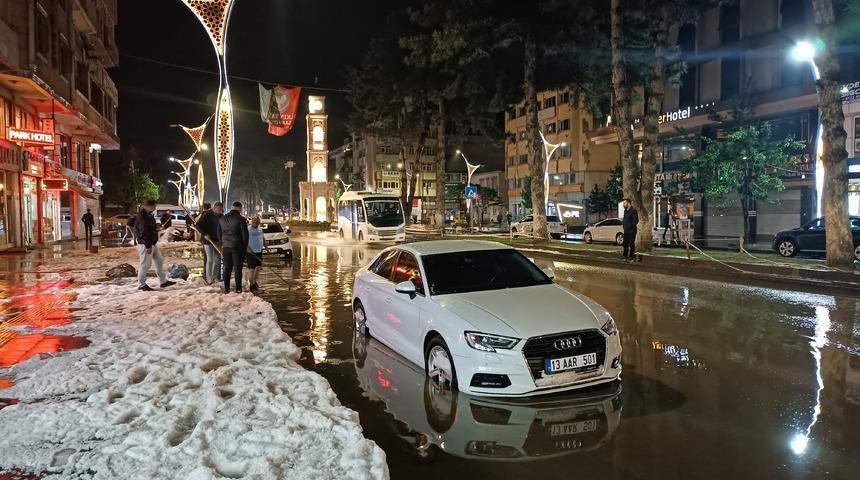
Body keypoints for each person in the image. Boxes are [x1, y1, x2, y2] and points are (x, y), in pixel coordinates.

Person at [135, 200, 175, 291]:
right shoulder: (143, 216)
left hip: (152, 243)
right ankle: (141, 284)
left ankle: (163, 281)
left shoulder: (148, 215)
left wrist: (156, 228)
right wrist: (147, 245)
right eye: (153, 206)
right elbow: (143, 232)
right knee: (145, 264)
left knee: (159, 261)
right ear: (147, 206)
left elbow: (149, 229)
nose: (155, 208)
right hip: (145, 244)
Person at [218, 201, 249, 293]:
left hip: (226, 246)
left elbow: (219, 233)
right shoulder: (241, 219)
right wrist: (245, 246)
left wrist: (222, 243)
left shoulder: (222, 219)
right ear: (239, 208)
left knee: (227, 267)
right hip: (238, 246)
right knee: (237, 268)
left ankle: (226, 288)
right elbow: (245, 235)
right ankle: (238, 289)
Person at [197, 202, 223, 284]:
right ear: (214, 208)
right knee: (210, 259)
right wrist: (204, 234)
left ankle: (215, 277)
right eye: (219, 210)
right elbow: (198, 225)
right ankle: (209, 278)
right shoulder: (207, 215)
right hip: (207, 240)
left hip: (217, 240)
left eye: (221, 210)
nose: (220, 212)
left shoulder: (221, 216)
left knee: (218, 260)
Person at [246, 216, 267, 292]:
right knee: (252, 269)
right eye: (254, 222)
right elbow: (243, 239)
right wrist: (247, 248)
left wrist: (266, 247)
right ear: (252, 222)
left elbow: (263, 238)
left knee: (258, 268)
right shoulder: (247, 229)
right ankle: (251, 284)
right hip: (250, 252)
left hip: (259, 251)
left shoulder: (260, 229)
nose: (256, 224)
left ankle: (254, 282)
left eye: (257, 222)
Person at [622, 198, 639, 262]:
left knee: (631, 244)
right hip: (626, 230)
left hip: (632, 230)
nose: (623, 204)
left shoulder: (633, 211)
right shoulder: (625, 211)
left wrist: (630, 226)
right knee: (625, 243)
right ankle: (625, 255)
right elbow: (624, 219)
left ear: (628, 203)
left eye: (624, 203)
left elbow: (636, 220)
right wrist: (624, 225)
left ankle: (631, 256)